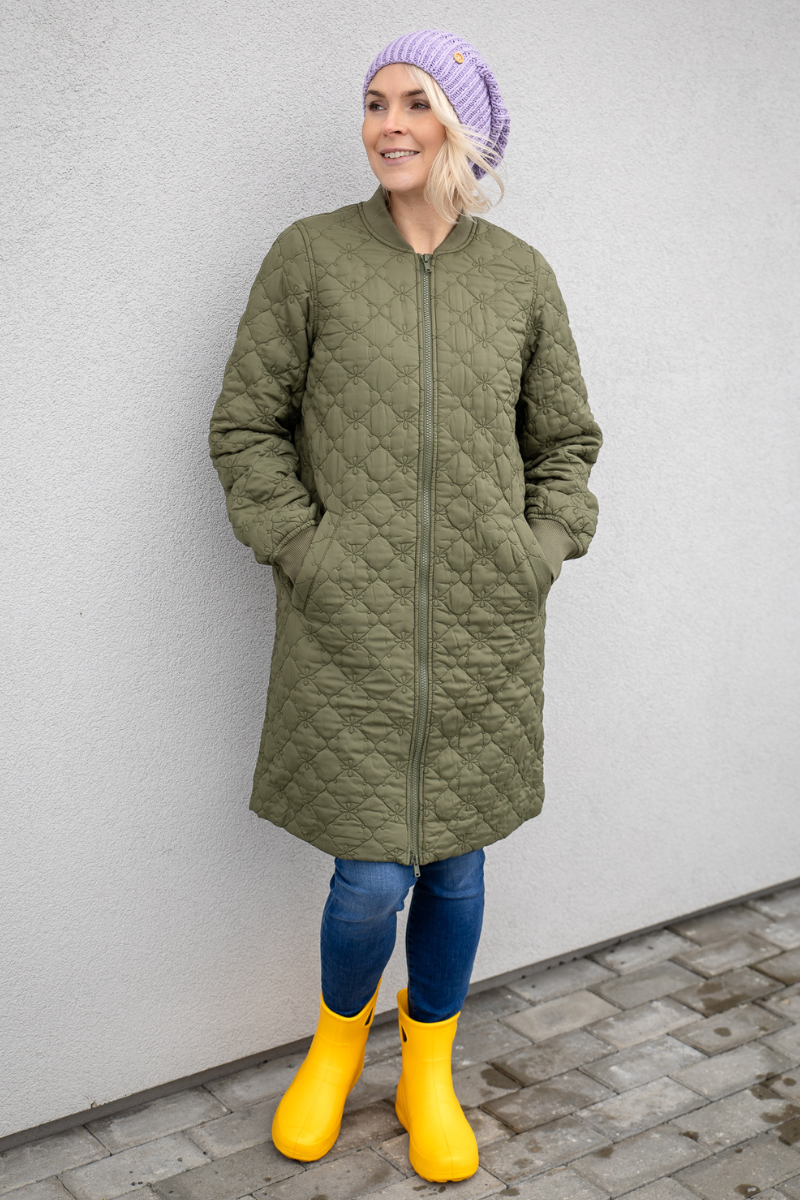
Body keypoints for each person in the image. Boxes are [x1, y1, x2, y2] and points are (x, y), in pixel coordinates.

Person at [208, 29, 603, 1184]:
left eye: (415, 102)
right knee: (370, 877)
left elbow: (564, 440)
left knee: (458, 867)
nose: (388, 123)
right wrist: (306, 551)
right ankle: (336, 1049)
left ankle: (427, 1070)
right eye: (375, 102)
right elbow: (245, 427)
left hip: (485, 626)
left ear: (461, 129)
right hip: (347, 627)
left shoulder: (518, 276)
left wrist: (537, 548)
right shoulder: (310, 259)